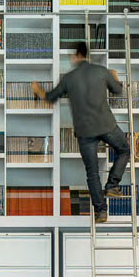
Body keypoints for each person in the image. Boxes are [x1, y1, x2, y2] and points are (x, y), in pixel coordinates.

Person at [31, 41, 129, 223]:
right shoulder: (101, 71)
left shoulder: (69, 78)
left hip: (85, 132)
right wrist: (115, 77)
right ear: (87, 55)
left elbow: (51, 97)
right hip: (106, 125)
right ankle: (112, 185)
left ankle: (100, 212)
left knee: (91, 172)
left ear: (76, 56)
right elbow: (118, 91)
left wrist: (38, 90)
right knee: (124, 150)